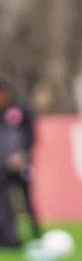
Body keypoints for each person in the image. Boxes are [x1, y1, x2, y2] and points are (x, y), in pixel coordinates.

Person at [0, 75, 42, 248]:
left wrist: (24, 155)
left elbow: (30, 134)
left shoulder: (22, 107)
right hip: (3, 166)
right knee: (4, 202)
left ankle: (37, 235)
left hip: (22, 163)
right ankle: (9, 238)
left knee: (27, 199)